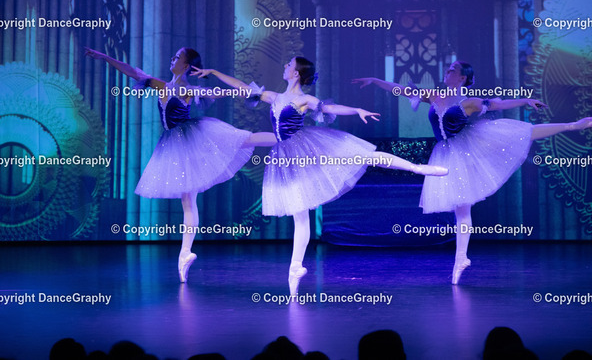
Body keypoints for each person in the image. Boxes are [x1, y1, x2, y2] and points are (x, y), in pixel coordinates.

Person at [193, 57, 447, 295]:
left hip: (306, 148)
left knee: (363, 155)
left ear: (296, 73)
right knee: (299, 213)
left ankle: (417, 168)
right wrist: (214, 72)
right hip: (284, 153)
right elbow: (241, 87)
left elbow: (329, 107)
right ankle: (295, 268)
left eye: (289, 64)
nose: (284, 66)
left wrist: (356, 109)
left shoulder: (304, 99)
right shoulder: (274, 97)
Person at [354, 61, 592, 284]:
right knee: (461, 208)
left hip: (465, 151)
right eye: (448, 69)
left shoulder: (469, 102)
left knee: (520, 134)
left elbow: (499, 104)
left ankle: (572, 125)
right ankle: (461, 259)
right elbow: (400, 90)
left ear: (462, 78)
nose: (447, 71)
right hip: (446, 152)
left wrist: (525, 101)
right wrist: (375, 80)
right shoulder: (434, 96)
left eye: (452, 69)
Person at [85, 47, 270, 283]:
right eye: (172, 55)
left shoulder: (187, 89)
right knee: (188, 202)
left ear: (186, 65)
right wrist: (104, 57)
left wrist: (243, 91)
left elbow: (217, 93)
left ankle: (282, 138)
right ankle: (185, 254)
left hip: (193, 138)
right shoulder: (161, 85)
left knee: (244, 140)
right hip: (174, 145)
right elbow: (132, 72)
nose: (172, 58)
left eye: (177, 56)